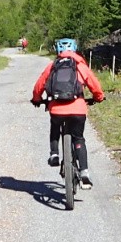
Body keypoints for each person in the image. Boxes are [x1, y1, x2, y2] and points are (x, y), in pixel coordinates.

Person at [31, 38, 105, 188]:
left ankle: (54, 154)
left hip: (57, 109)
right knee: (78, 139)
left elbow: (39, 85)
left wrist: (37, 99)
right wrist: (99, 97)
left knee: (54, 127)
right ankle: (84, 172)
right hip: (78, 109)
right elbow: (94, 84)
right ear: (75, 49)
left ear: (58, 50)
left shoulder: (52, 66)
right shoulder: (80, 66)